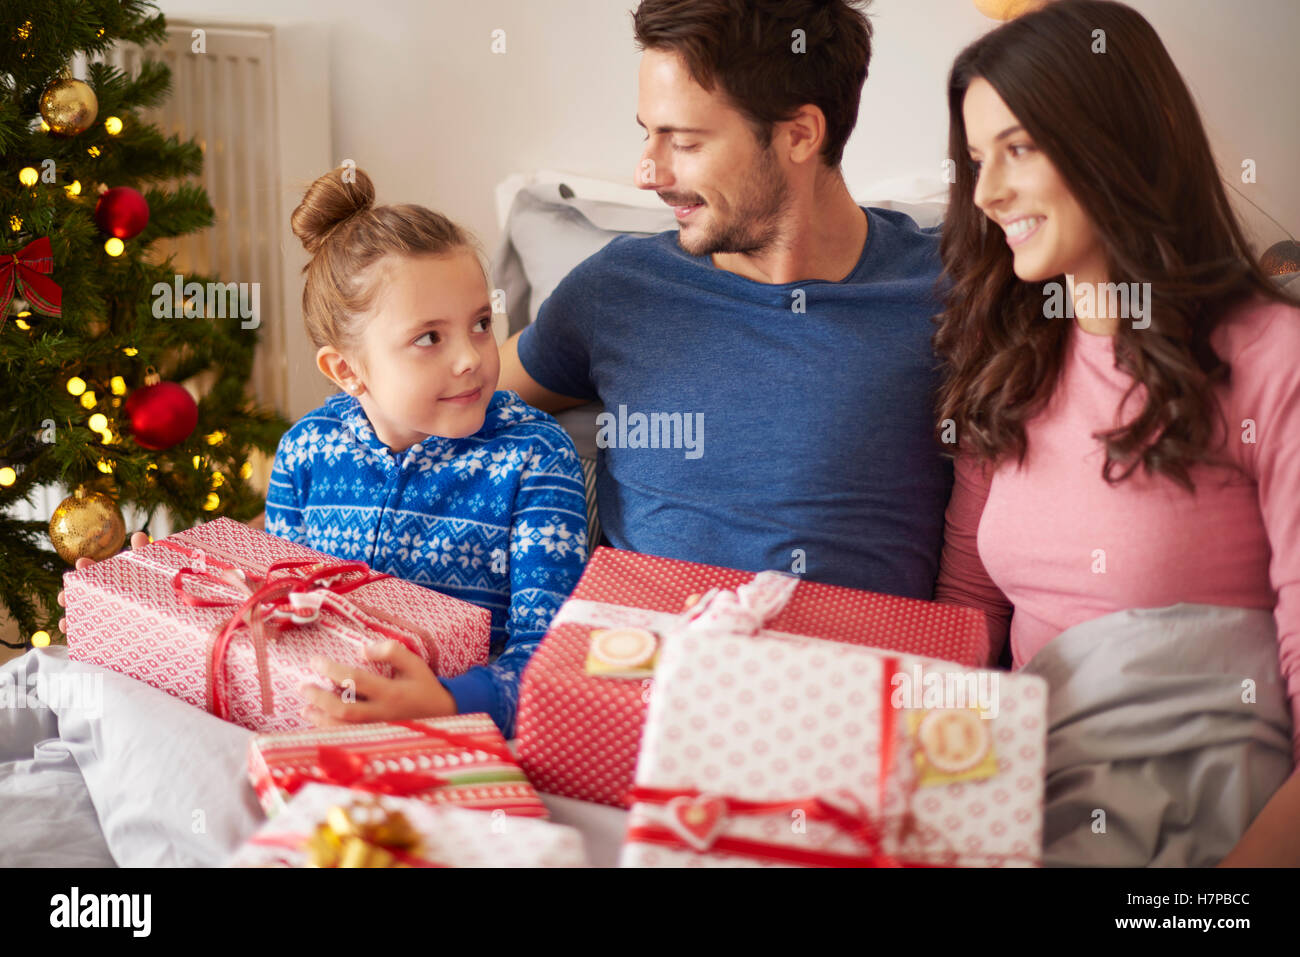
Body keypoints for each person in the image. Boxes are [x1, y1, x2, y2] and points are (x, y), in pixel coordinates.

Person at [931, 0, 1300, 865]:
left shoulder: (1271, 358)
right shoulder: (1004, 362)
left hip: (1213, 829)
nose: (986, 192)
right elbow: (966, 622)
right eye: (978, 158)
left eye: (1018, 148)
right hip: (1027, 800)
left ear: (1119, 139)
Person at [497, 0, 959, 605]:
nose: (647, 171)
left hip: (853, 674)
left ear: (800, 135)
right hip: (640, 675)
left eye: (684, 142)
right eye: (648, 132)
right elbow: (444, 397)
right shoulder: (621, 288)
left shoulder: (950, 287)